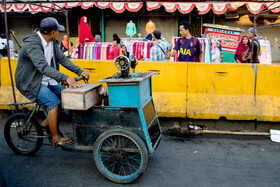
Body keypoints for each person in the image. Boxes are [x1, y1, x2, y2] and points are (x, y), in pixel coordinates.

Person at [15, 17, 89, 147]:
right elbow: (43, 67)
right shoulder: (32, 45)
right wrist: (66, 78)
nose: (59, 33)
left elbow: (62, 59)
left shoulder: (52, 42)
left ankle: (46, 123)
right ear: (52, 32)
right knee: (53, 104)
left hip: (48, 79)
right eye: (58, 31)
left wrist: (79, 71)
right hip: (31, 81)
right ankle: (55, 137)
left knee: (66, 99)